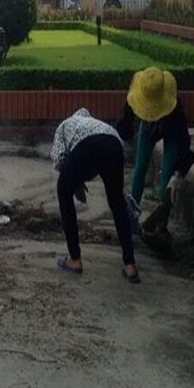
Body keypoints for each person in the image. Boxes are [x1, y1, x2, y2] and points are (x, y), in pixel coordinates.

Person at [51, 108, 140, 283]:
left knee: (63, 191)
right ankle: (130, 266)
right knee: (117, 201)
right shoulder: (96, 123)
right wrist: (78, 179)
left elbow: (59, 159)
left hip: (86, 146)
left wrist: (73, 182)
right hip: (114, 143)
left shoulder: (64, 125)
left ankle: (74, 259)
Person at [116, 67, 194, 211]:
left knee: (167, 172)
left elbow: (183, 139)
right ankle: (133, 210)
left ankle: (162, 215)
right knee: (140, 167)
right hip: (148, 128)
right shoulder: (135, 97)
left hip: (171, 131)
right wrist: (125, 139)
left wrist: (179, 172)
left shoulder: (174, 106)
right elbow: (126, 124)